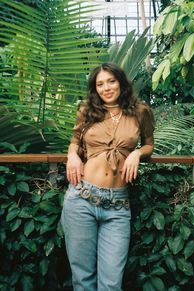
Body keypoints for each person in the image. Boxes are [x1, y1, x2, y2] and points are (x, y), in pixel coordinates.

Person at [61, 62, 155, 291]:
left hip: (117, 205)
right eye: (100, 84)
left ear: (121, 82)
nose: (106, 88)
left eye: (111, 81)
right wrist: (72, 156)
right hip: (81, 199)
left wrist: (136, 153)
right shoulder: (86, 111)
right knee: (83, 280)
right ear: (95, 88)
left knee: (111, 283)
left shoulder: (141, 111)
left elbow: (149, 144)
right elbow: (75, 141)